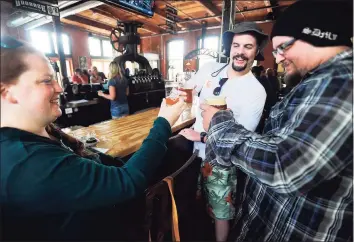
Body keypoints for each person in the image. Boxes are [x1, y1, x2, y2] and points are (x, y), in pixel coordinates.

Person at [0, 36, 187, 241]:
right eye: (46, 80)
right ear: (7, 92)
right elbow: (127, 181)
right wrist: (164, 122)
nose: (60, 88)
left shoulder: (38, 134)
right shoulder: (27, 162)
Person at [200, 1, 353, 241]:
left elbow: (286, 168)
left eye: (283, 47)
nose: (279, 58)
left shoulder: (343, 83)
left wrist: (218, 122)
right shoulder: (316, 80)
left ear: (318, 36)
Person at [176, 22, 267, 241]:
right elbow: (190, 90)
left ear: (256, 52)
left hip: (221, 162)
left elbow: (239, 141)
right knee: (191, 204)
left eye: (248, 47)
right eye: (236, 45)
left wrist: (201, 135)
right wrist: (184, 94)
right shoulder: (210, 69)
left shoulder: (256, 91)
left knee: (220, 213)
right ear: (230, 47)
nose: (240, 52)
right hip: (192, 154)